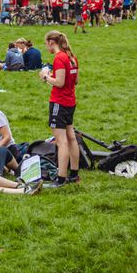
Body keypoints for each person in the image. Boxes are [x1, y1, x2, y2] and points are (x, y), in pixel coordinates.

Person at [40, 30, 79, 188]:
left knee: (61, 141)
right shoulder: (71, 57)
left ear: (51, 42)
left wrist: (45, 76)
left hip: (59, 102)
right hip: (70, 101)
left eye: (46, 44)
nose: (46, 47)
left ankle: (61, 178)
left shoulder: (59, 58)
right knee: (71, 138)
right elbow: (75, 81)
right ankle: (74, 174)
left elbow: (60, 83)